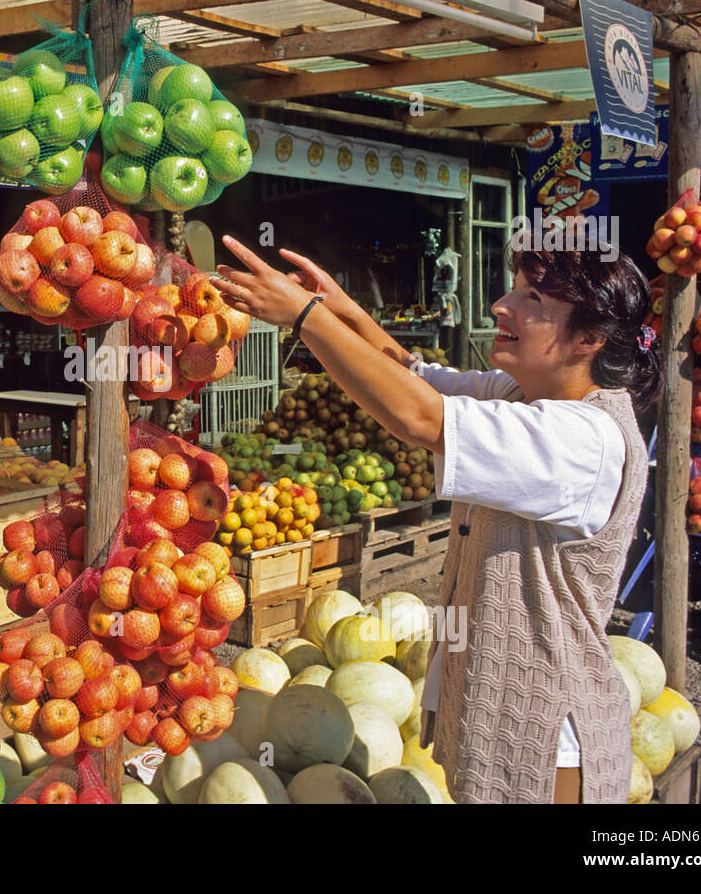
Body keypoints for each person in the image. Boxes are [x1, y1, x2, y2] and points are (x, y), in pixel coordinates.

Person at [212, 235, 661, 804]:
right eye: (514, 290)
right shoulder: (529, 399)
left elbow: (421, 417)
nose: (502, 306)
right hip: (501, 704)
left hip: (547, 729)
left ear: (589, 338)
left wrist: (305, 319)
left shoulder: (582, 441)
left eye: (532, 301)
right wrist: (341, 310)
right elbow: (417, 377)